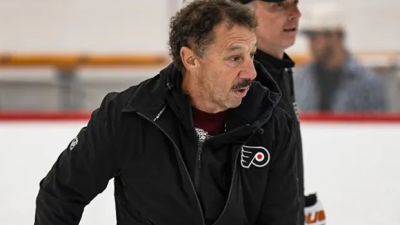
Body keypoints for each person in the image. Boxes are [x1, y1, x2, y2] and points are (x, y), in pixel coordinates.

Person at [35, 1, 301, 225]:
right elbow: (60, 194)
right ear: (191, 59)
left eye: (252, 55)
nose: (251, 73)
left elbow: (282, 219)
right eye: (235, 58)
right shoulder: (128, 116)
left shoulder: (273, 122)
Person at [234, 0, 305, 224]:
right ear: (244, 14)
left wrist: (299, 207)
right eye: (280, 6)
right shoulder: (244, 82)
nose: (295, 14)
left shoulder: (280, 69)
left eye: (295, 4)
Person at [294, 3, 387, 113]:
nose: (311, 44)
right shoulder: (299, 80)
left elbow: (378, 126)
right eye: (310, 37)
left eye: (315, 36)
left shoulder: (367, 83)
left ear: (336, 36)